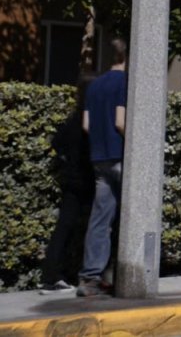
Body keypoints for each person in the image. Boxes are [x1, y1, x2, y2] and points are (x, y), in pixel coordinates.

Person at [77, 38, 128, 298]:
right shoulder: (125, 82)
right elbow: (121, 121)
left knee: (100, 220)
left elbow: (86, 125)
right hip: (120, 155)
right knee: (128, 220)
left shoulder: (94, 85)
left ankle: (89, 278)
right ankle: (122, 275)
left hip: (98, 158)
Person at [38, 72, 97, 294]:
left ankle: (54, 274)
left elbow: (57, 143)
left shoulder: (74, 119)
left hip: (72, 180)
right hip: (84, 181)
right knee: (80, 228)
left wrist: (66, 162)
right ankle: (55, 275)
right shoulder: (88, 121)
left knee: (66, 227)